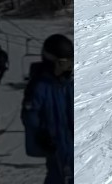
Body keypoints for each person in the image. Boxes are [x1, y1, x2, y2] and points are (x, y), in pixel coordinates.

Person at [22, 34, 74, 184]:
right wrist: (41, 135)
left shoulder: (68, 84)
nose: (67, 69)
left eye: (70, 64)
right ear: (50, 62)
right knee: (60, 176)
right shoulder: (40, 86)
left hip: (73, 142)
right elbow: (30, 115)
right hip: (56, 144)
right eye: (63, 64)